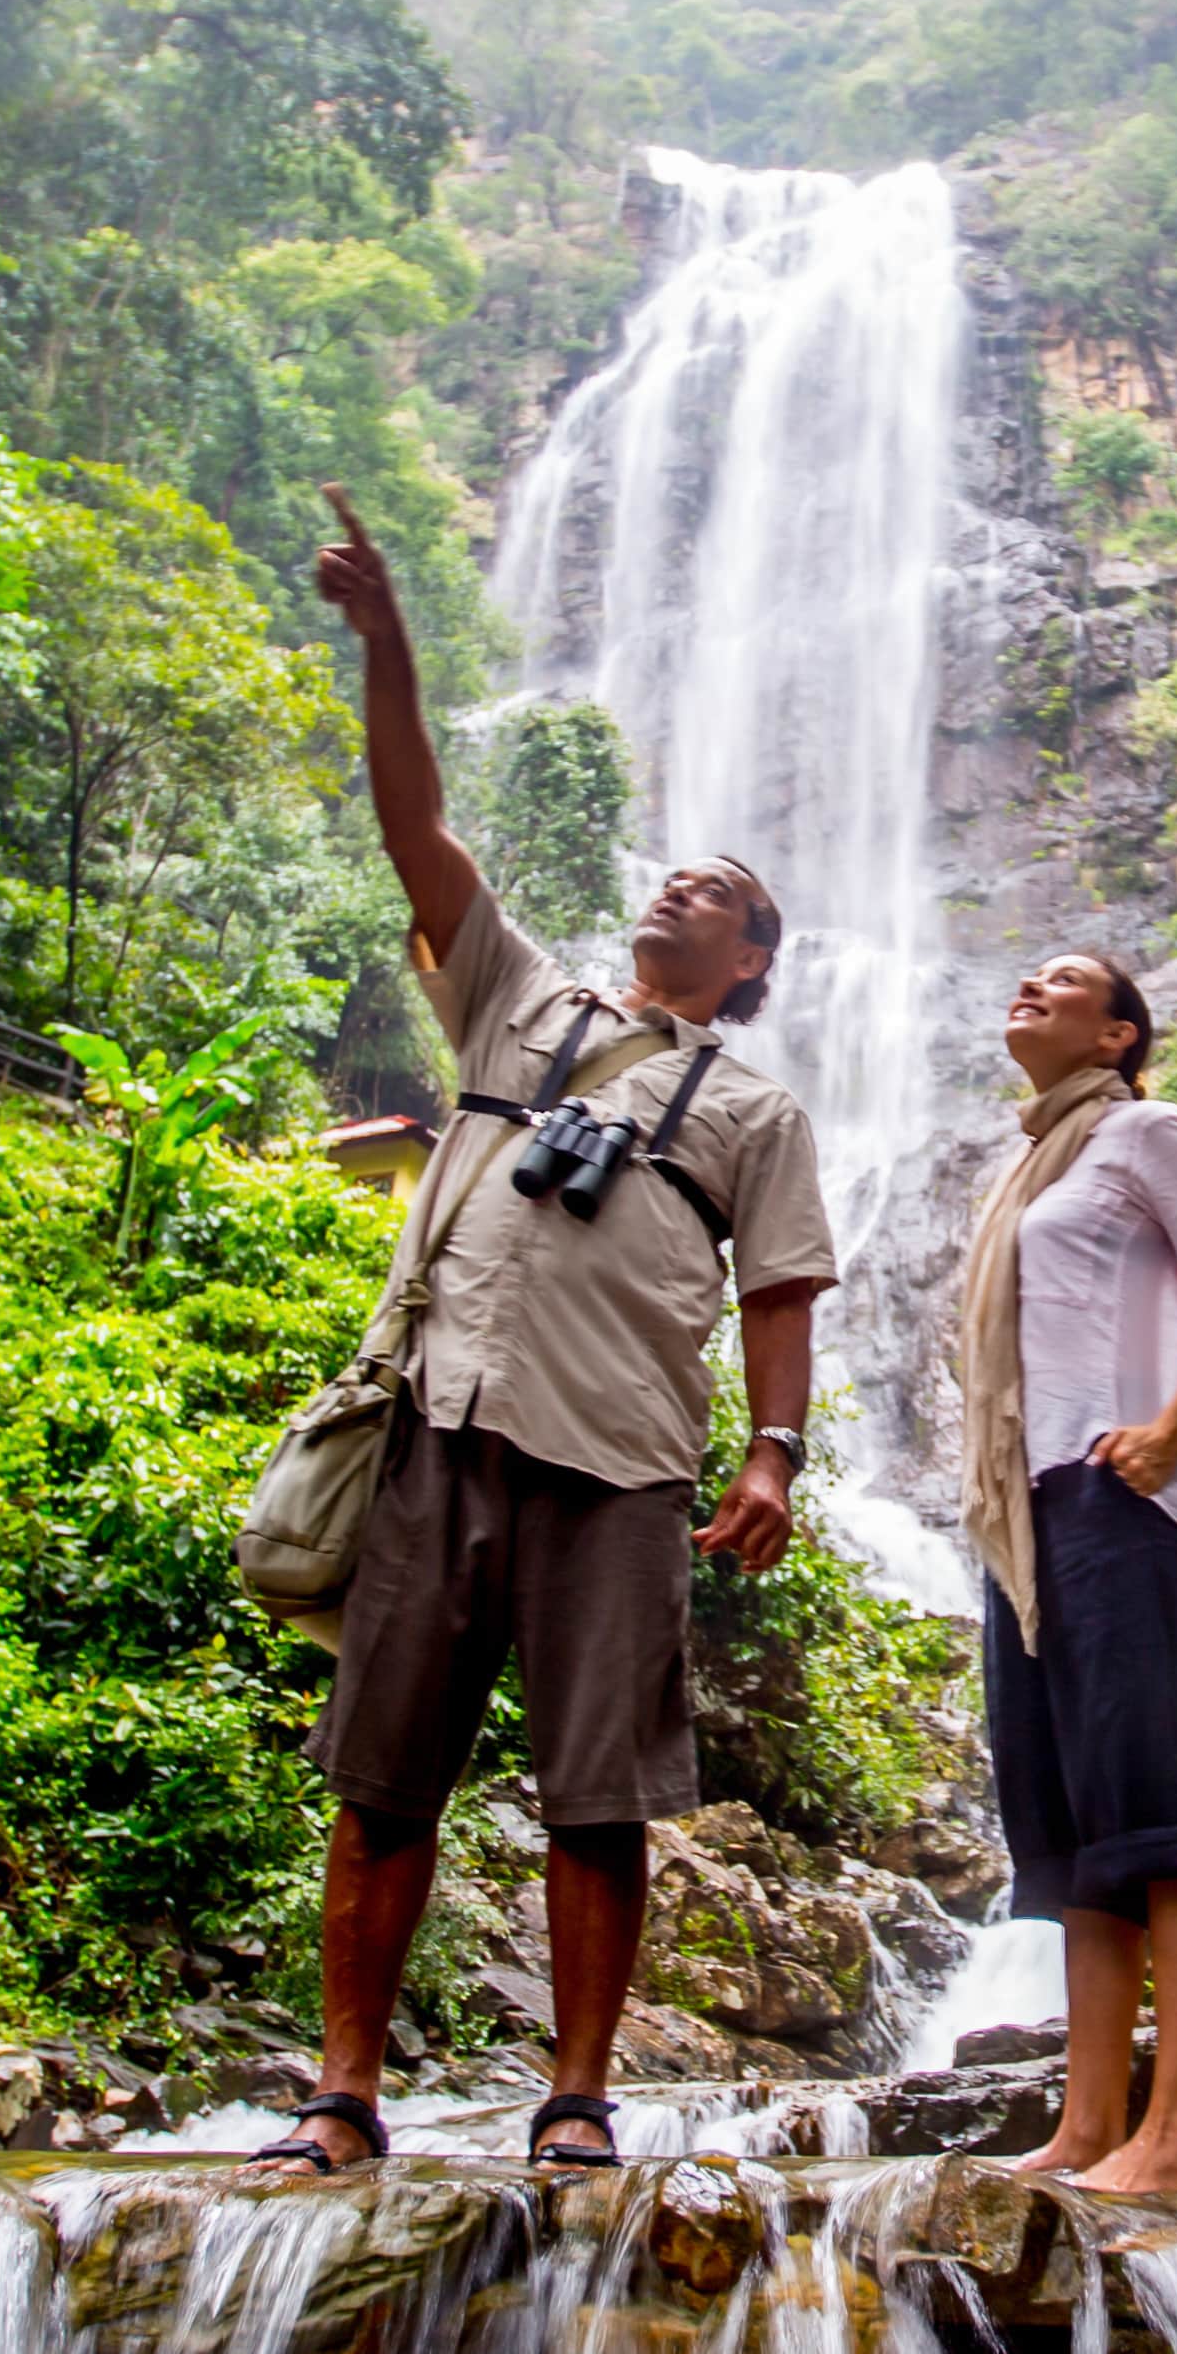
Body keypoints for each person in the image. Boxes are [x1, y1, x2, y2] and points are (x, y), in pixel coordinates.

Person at [256, 489, 839, 2173]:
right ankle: (340, 2090)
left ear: (751, 959)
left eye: (710, 893)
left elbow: (779, 1292)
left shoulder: (758, 1107)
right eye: (667, 880)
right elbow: (414, 826)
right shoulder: (525, 995)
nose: (672, 894)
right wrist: (389, 649)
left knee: (598, 1794)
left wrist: (775, 1450)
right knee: (380, 1779)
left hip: (619, 1466)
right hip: (442, 1421)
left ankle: (577, 2096)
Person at [955, 951, 1177, 2194]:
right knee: (1080, 1834)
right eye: (1022, 973)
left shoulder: (1148, 1132)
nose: (1029, 986)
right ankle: (1092, 2124)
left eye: (1065, 981)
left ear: (1117, 1036)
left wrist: (1170, 1426)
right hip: (1025, 1516)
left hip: (1119, 1499)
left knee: (1157, 1814)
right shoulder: (1032, 1166)